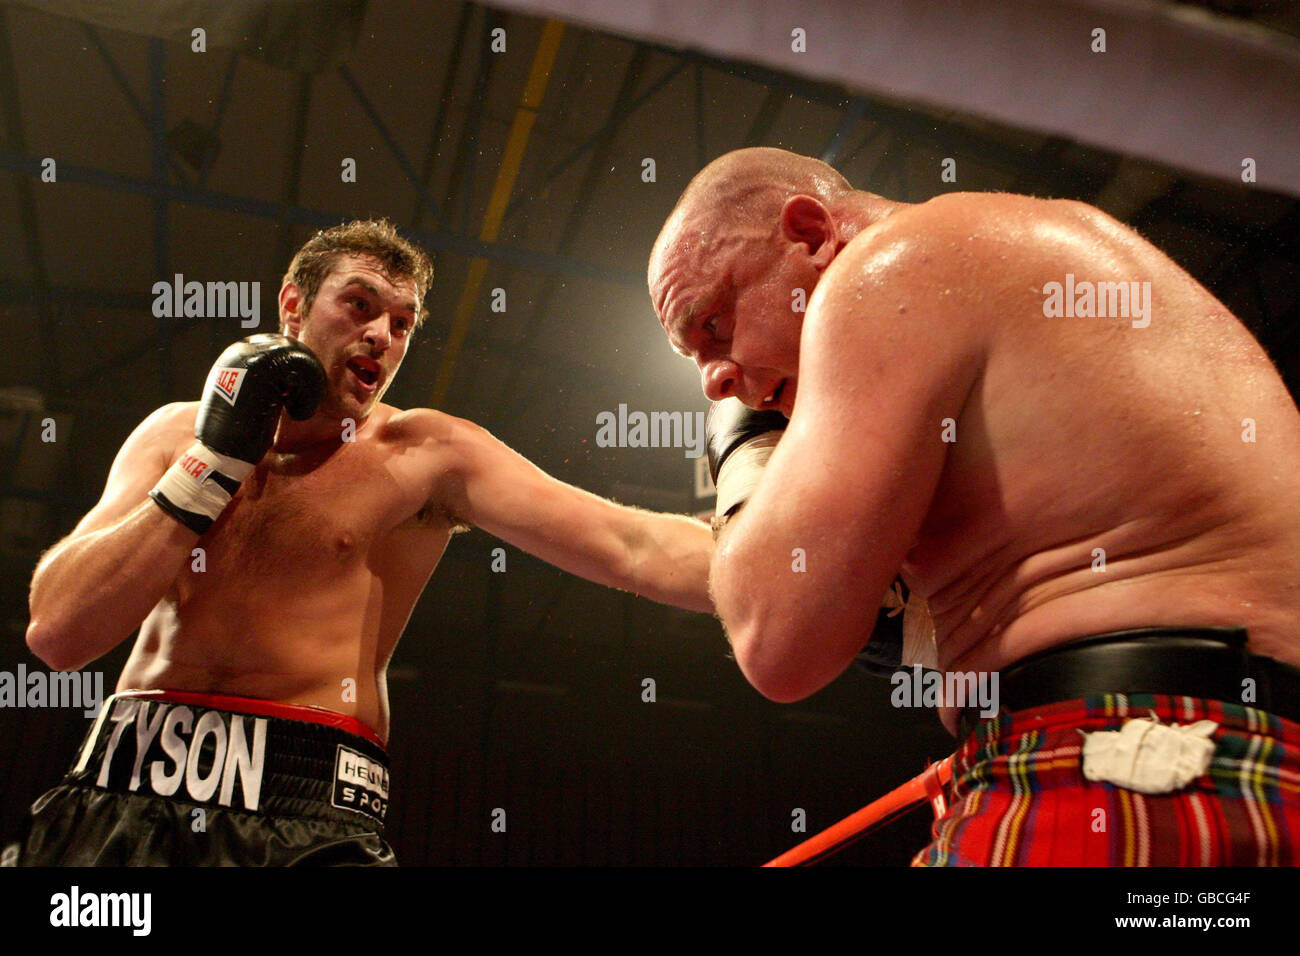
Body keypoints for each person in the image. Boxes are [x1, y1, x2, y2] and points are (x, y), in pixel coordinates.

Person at [652, 147, 1300, 866]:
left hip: (1133, 756)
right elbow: (659, 555)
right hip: (1216, 750)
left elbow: (775, 636)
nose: (713, 381)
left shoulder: (889, 267)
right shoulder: (1014, 267)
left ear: (808, 233)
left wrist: (745, 449)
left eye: (712, 323)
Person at [13, 218, 712, 866]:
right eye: (360, 305)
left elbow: (630, 546)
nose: (383, 334)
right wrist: (211, 466)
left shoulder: (425, 455)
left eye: (402, 324)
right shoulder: (175, 434)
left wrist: (788, 549)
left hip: (301, 812)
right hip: (119, 793)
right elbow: (57, 632)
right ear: (292, 306)